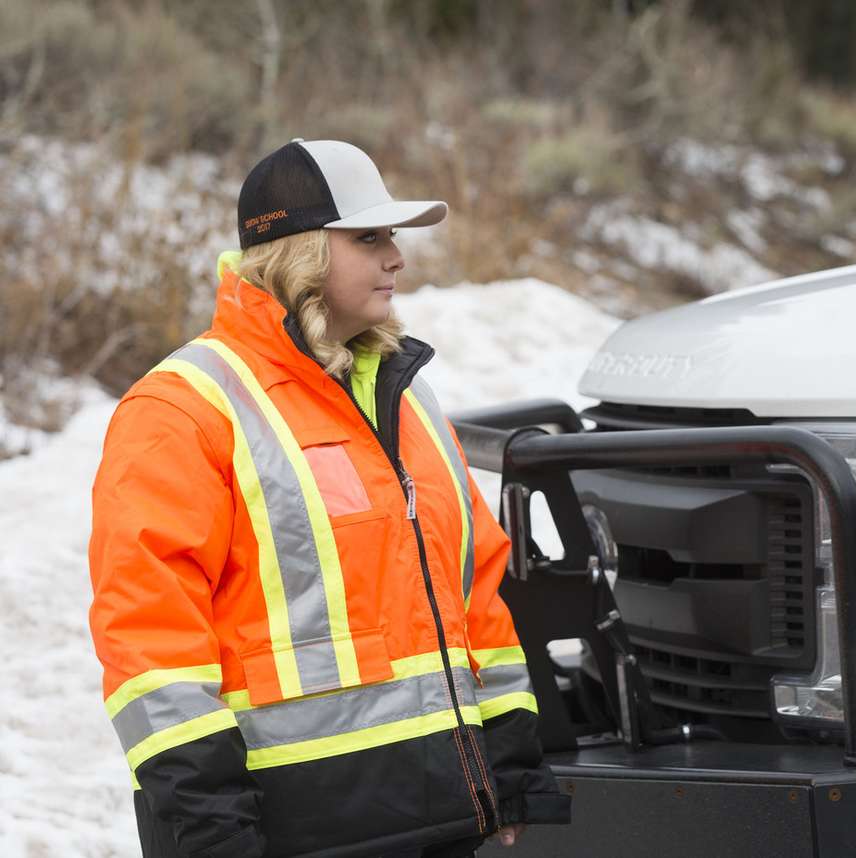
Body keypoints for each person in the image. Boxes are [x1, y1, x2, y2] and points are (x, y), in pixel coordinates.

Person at [88, 139, 570, 858]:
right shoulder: (182, 408)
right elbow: (151, 645)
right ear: (299, 250)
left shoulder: (405, 399)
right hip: (284, 833)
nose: (396, 257)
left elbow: (474, 594)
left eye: (393, 237)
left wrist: (510, 765)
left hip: (438, 818)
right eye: (368, 238)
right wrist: (209, 830)